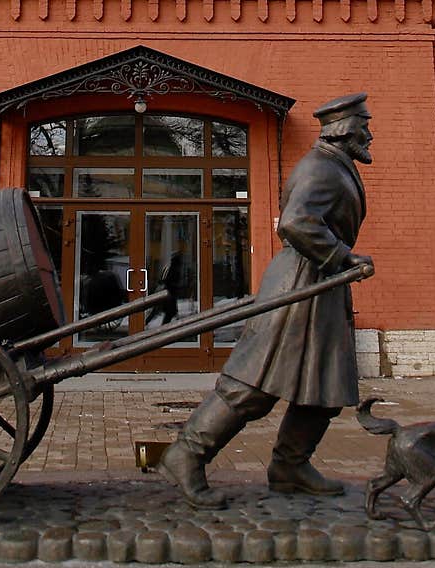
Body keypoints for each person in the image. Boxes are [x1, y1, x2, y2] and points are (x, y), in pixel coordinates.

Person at [157, 92, 375, 509]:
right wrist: (343, 256)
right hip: (298, 287)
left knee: (326, 385)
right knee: (253, 385)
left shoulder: (334, 165)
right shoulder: (321, 168)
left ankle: (290, 466)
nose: (370, 134)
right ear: (345, 131)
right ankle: (187, 453)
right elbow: (295, 223)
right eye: (364, 126)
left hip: (321, 287)